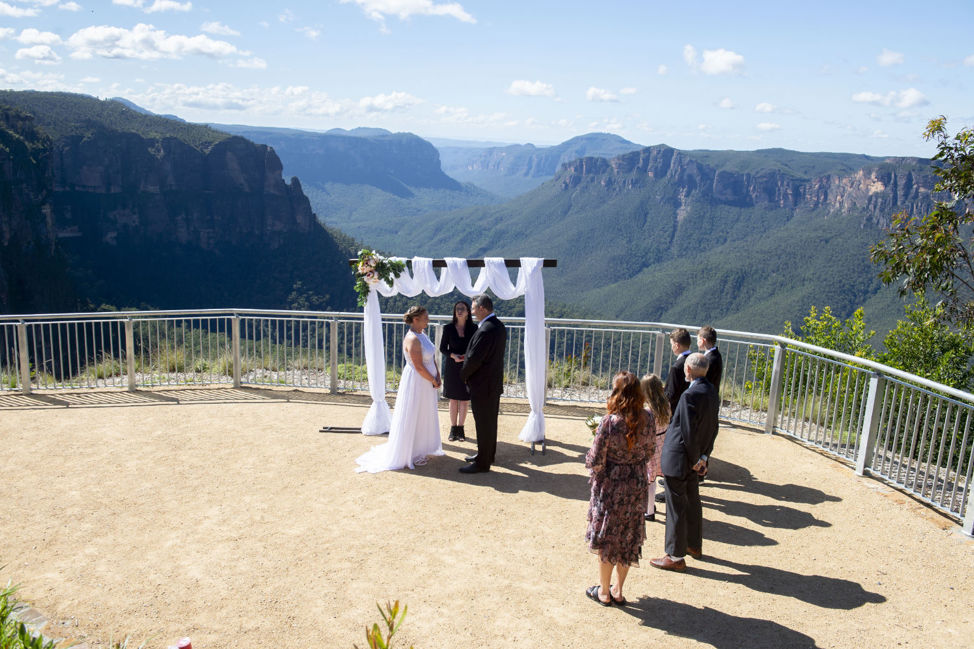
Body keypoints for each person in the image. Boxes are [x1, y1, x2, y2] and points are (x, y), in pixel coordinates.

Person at [584, 372, 654, 606]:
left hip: (611, 485)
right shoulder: (649, 418)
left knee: (608, 538)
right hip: (636, 484)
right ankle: (618, 589)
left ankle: (603, 592)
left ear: (617, 393)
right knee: (627, 538)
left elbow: (595, 460)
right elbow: (650, 451)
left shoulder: (610, 422)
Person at [650, 353, 719, 572]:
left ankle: (675, 555)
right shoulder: (711, 392)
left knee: (676, 506)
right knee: (692, 502)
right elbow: (713, 427)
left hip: (680, 458)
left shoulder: (689, 396)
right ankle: (693, 545)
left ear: (688, 370)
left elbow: (687, 432)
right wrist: (703, 457)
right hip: (694, 458)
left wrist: (693, 459)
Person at [356, 306, 445, 473]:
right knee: (413, 413)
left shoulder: (422, 334)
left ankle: (420, 446)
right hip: (418, 382)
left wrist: (438, 374)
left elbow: (431, 357)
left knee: (423, 413)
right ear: (416, 319)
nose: (428, 320)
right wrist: (433, 379)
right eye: (425, 317)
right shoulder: (412, 339)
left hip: (427, 382)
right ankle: (408, 450)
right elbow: (418, 366)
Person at [458, 294, 506, 474]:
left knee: (483, 424)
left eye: (473, 309)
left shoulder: (486, 329)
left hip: (483, 385)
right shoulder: (498, 326)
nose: (471, 312)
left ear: (483, 308)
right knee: (489, 422)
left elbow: (475, 359)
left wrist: (463, 374)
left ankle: (482, 463)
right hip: (492, 383)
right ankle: (486, 455)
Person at [655, 328, 692, 505]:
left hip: (675, 414)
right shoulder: (692, 361)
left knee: (669, 451)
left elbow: (672, 393)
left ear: (677, 345)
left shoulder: (678, 366)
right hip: (686, 414)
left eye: (671, 345)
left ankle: (668, 490)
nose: (671, 348)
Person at [439, 300, 477, 442]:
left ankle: (461, 428)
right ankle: (453, 428)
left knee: (465, 399)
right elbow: (443, 348)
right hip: (452, 366)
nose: (459, 311)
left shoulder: (474, 328)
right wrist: (453, 356)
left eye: (462, 308)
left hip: (468, 366)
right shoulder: (448, 328)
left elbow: (476, 348)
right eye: (457, 309)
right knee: (453, 398)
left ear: (468, 312)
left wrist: (467, 357)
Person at [640, 374, 671, 522]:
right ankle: (650, 506)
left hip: (651, 445)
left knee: (648, 480)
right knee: (654, 477)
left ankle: (649, 510)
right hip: (663, 442)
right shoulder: (666, 405)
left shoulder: (648, 412)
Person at [696, 326, 723, 480]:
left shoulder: (709, 360)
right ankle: (701, 469)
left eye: (699, 338)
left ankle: (699, 472)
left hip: (705, 403)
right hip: (711, 401)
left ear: (704, 340)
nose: (697, 341)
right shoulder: (715, 356)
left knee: (701, 436)